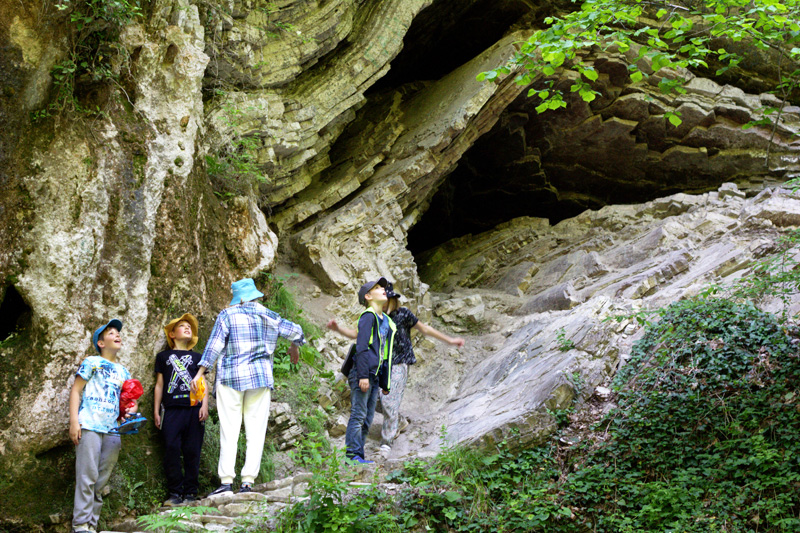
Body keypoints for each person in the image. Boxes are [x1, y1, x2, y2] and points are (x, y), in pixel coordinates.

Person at [191, 278, 305, 495]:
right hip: (260, 379)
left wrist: (200, 373)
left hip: (231, 378)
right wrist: (294, 348)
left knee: (229, 431)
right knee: (256, 432)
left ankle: (225, 482)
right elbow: (297, 332)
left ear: (240, 298)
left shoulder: (228, 315)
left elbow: (214, 346)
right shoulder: (270, 315)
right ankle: (247, 483)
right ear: (255, 295)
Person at [328, 281, 464, 459]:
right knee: (374, 401)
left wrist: (450, 340)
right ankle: (397, 421)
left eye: (385, 297)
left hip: (399, 363)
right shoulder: (376, 318)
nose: (383, 300)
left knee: (387, 402)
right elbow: (357, 336)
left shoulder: (402, 315)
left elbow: (424, 329)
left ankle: (386, 444)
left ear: (392, 299)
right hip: (379, 366)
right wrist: (338, 329)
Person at [69, 319, 137, 533]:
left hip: (113, 430)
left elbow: (130, 401)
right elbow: (75, 391)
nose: (117, 335)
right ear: (100, 342)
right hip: (89, 425)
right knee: (86, 476)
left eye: (118, 332)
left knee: (101, 480)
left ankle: (92, 524)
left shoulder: (124, 371)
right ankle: (80, 525)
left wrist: (131, 412)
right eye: (111, 333)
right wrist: (74, 421)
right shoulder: (91, 362)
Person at [154, 313, 209, 506]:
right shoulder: (163, 357)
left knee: (193, 450)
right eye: (182, 326)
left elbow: (203, 383)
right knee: (171, 449)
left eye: (189, 327)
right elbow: (160, 385)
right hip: (172, 409)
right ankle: (175, 493)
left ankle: (191, 493)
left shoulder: (198, 357)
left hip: (194, 409)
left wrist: (205, 405)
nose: (187, 328)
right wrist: (156, 410)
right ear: (172, 334)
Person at [344, 278, 396, 464]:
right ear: (368, 296)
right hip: (362, 372)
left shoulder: (387, 322)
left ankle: (359, 456)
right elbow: (362, 347)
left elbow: (386, 354)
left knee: (367, 418)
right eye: (377, 288)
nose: (383, 289)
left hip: (374, 376)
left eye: (383, 287)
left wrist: (385, 382)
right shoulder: (368, 316)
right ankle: (352, 456)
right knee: (358, 414)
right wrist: (363, 375)